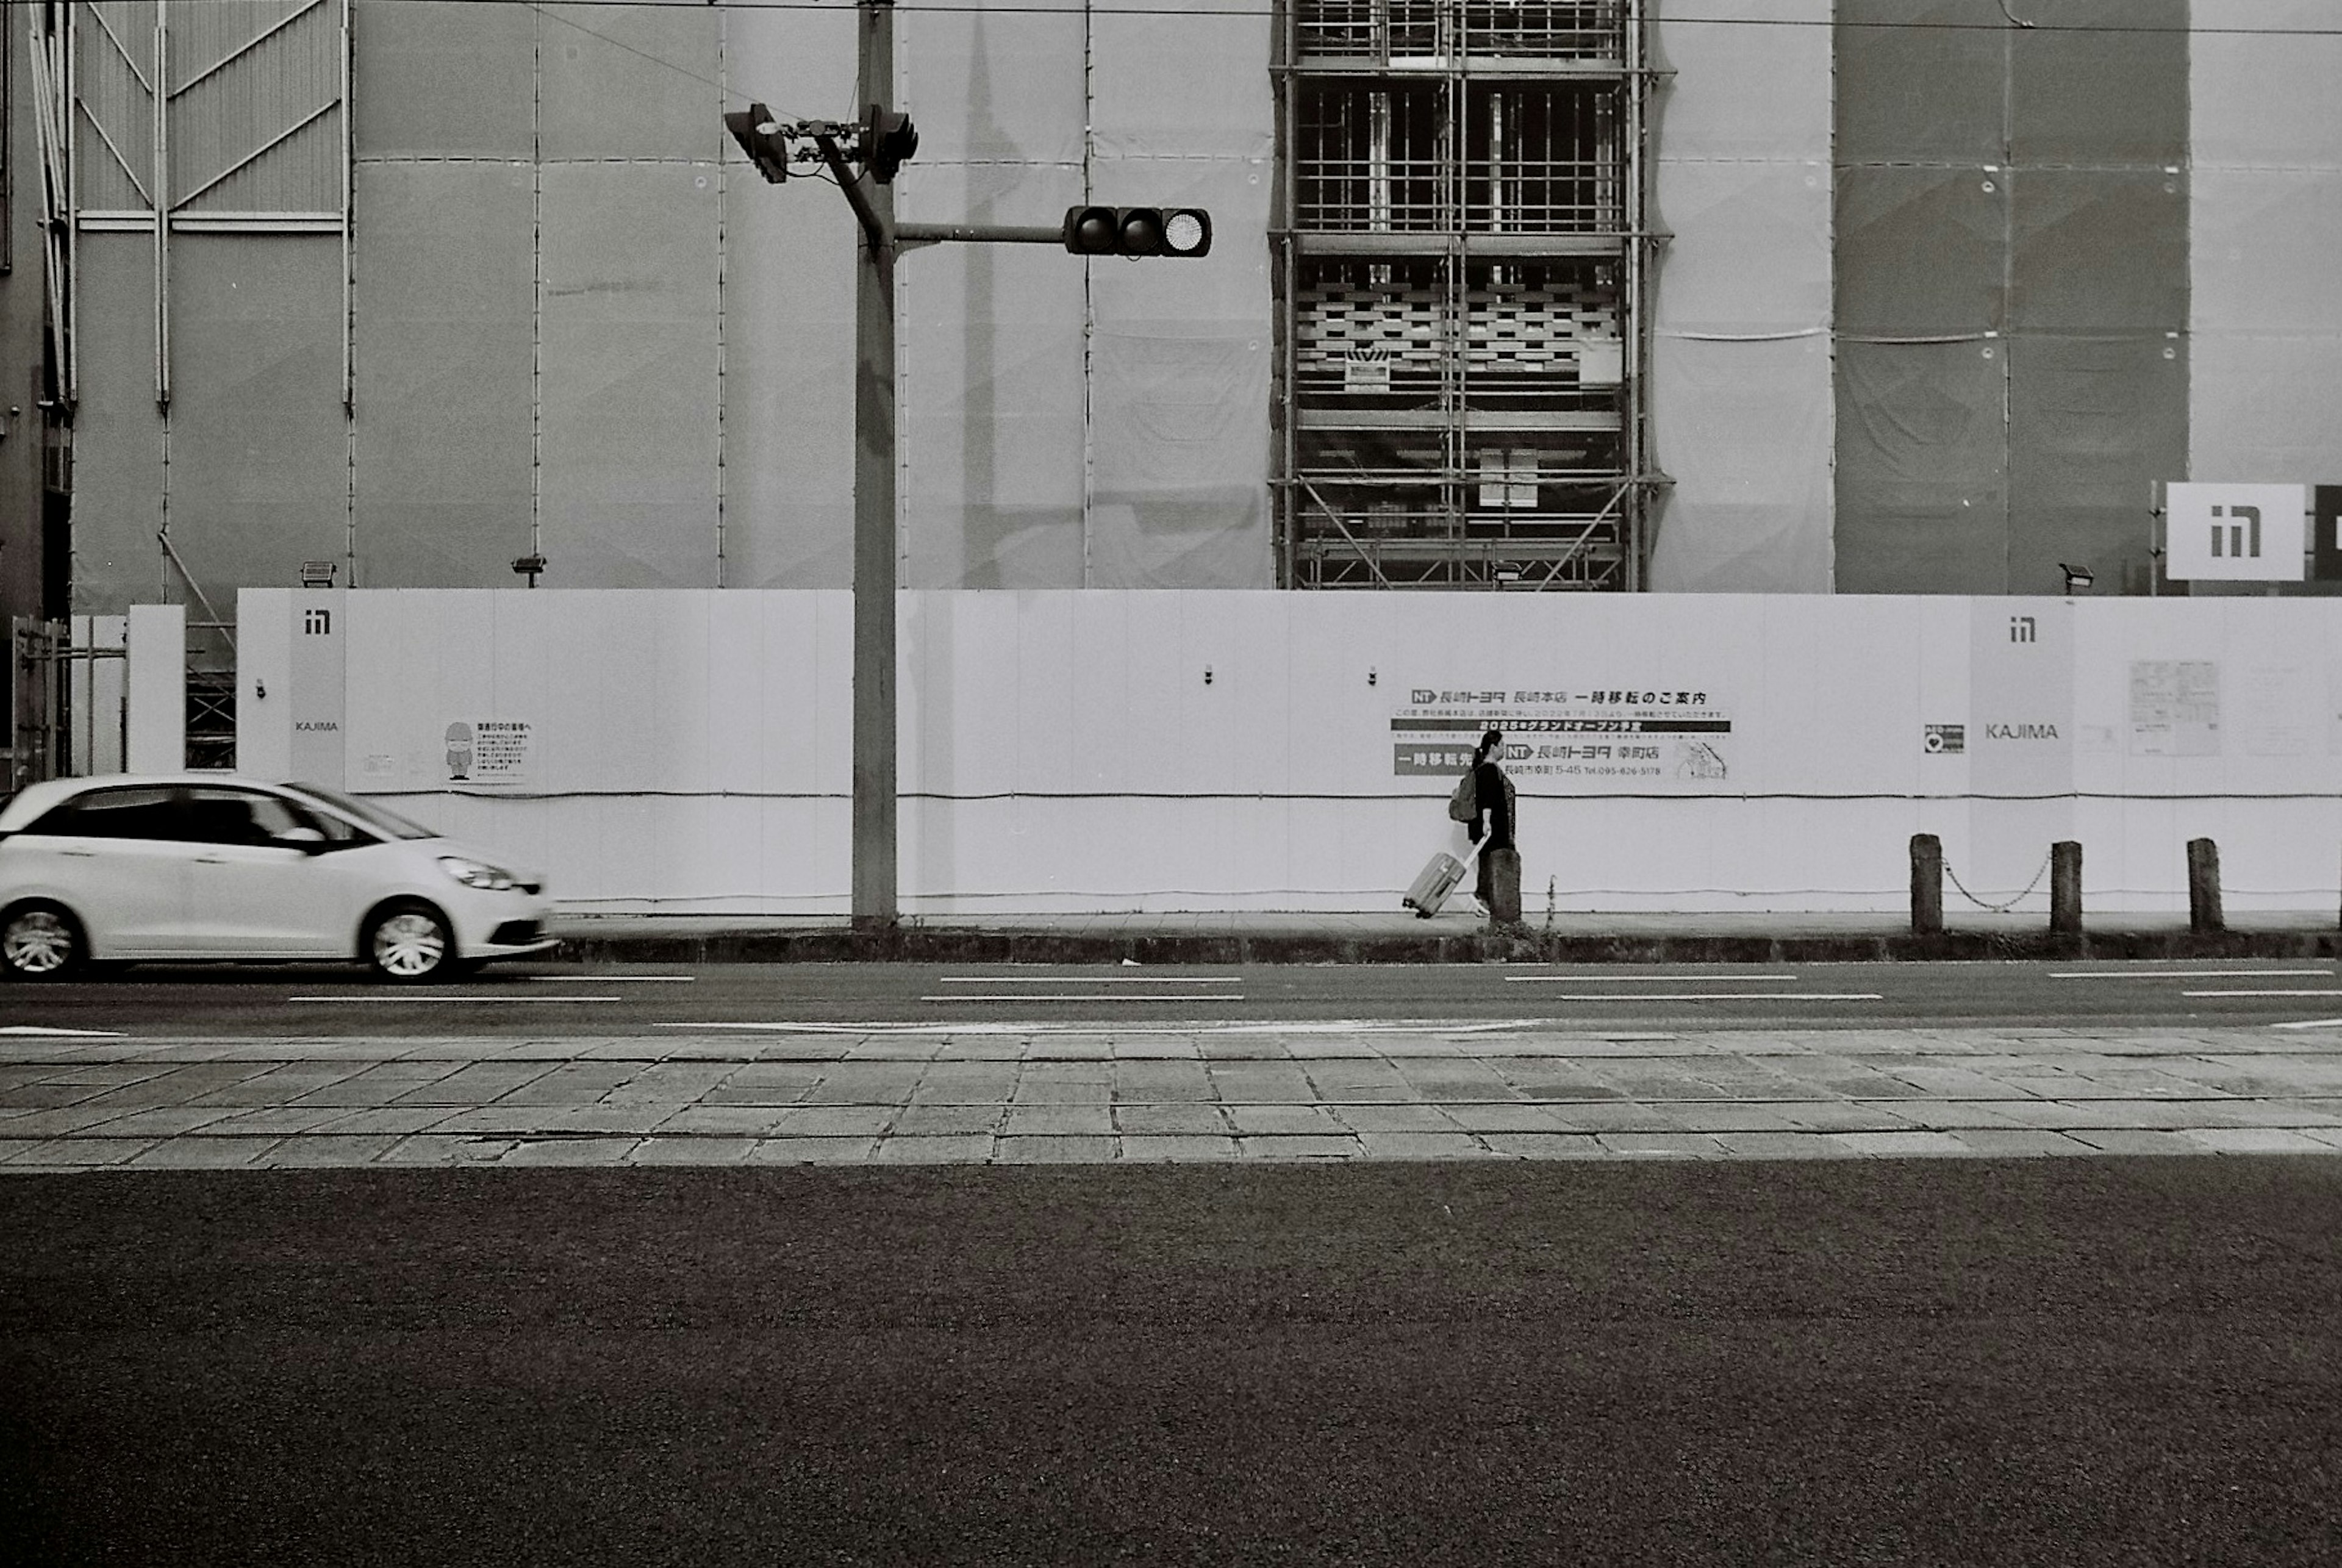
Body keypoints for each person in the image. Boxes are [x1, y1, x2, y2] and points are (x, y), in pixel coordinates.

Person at [1465, 728, 1516, 912]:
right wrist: (1487, 823)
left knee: (1488, 861)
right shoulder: (1488, 770)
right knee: (1492, 861)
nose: (1504, 749)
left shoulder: (1484, 770)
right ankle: (1483, 896)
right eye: (1502, 745)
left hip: (1493, 827)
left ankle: (1486, 900)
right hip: (1493, 827)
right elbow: (1487, 799)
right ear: (1493, 747)